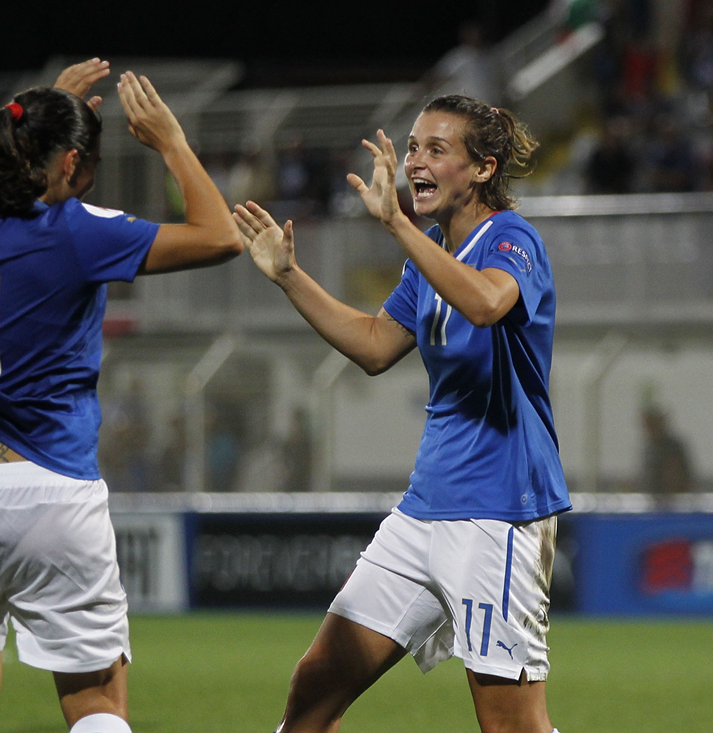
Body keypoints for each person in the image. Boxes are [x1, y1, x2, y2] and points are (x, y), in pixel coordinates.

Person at [0, 58, 242, 733]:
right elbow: (222, 234)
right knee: (95, 706)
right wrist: (171, 140)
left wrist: (41, 104)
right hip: (49, 489)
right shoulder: (77, 231)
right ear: (72, 165)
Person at [235, 95, 570, 733]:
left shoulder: (512, 239)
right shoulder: (429, 257)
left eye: (436, 149)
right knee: (315, 686)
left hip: (500, 512)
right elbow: (373, 345)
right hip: (424, 510)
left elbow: (486, 305)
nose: (414, 160)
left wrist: (397, 226)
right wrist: (289, 277)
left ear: (481, 170)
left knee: (511, 725)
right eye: (414, 146)